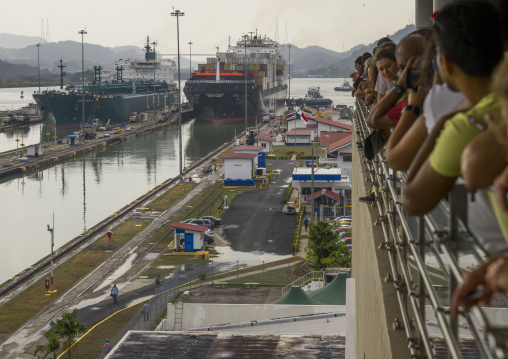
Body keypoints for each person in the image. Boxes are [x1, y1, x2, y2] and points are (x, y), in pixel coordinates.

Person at [402, 0, 508, 256]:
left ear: (446, 64)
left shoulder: (466, 126)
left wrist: (440, 124)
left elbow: (412, 200)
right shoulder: (499, 102)